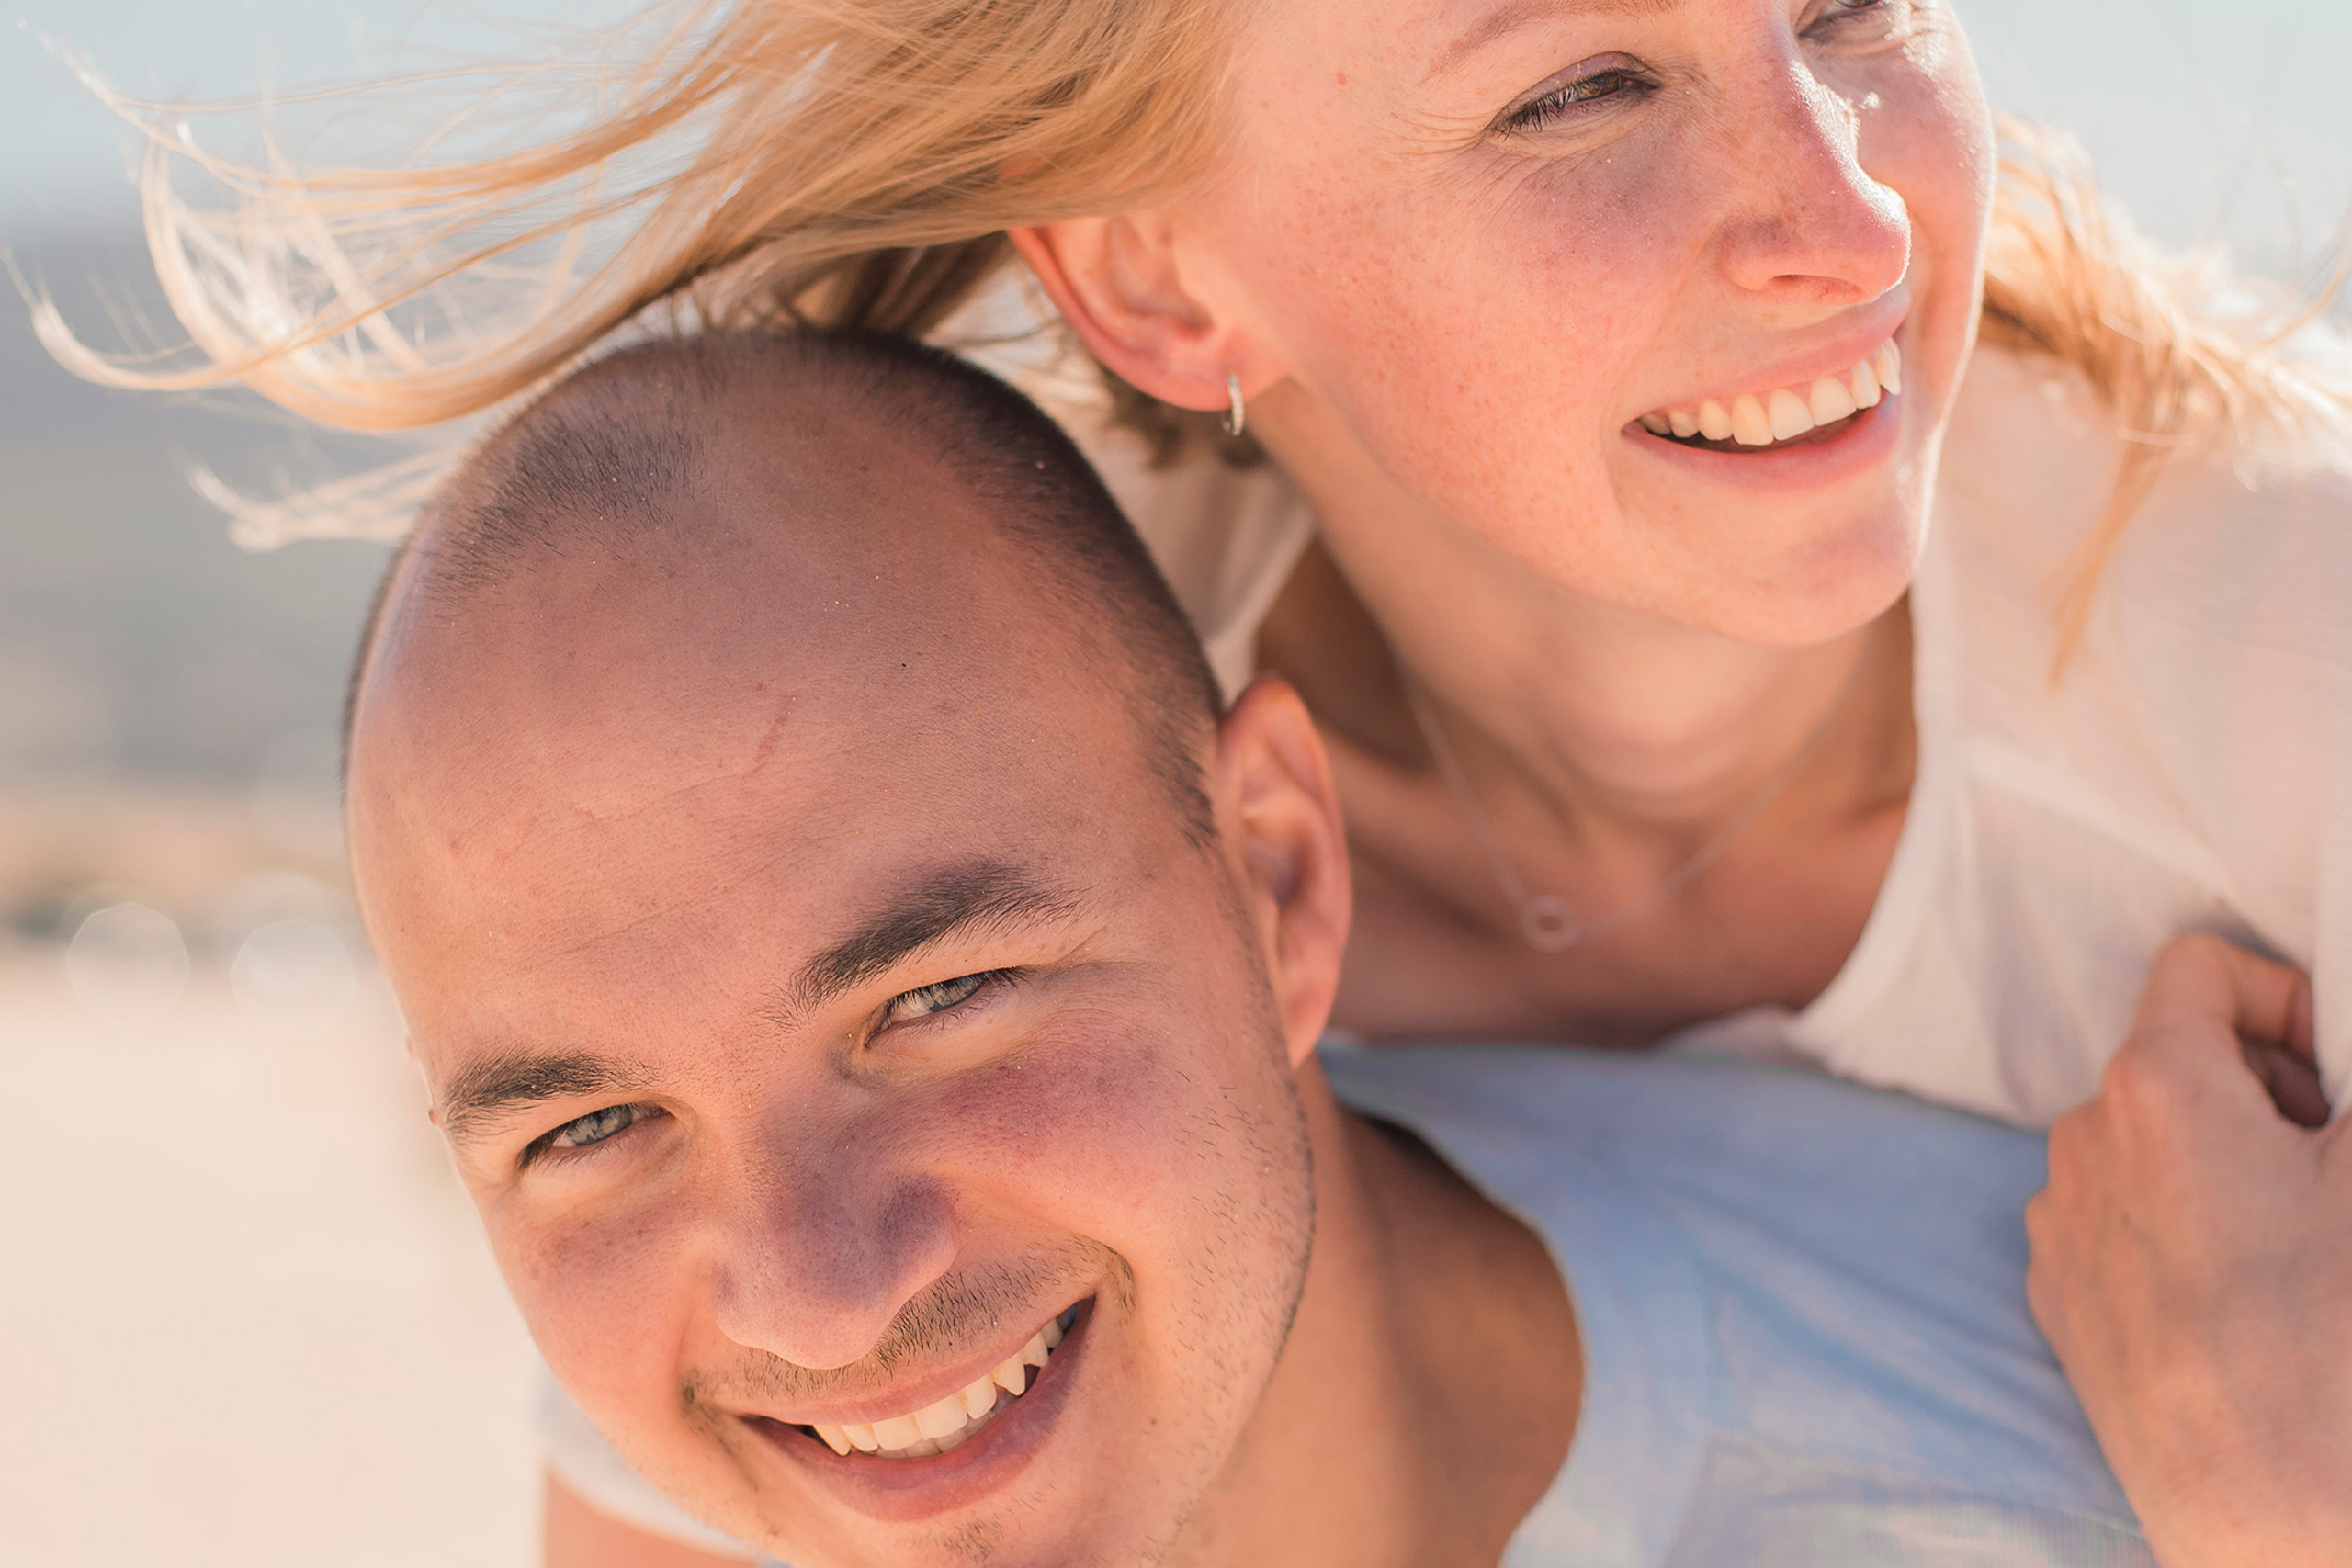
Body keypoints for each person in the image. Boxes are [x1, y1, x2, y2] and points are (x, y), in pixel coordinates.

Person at [42, 0, 2352, 1552]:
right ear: (1153, 280)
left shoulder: (2278, 684)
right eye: (1574, 89)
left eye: (1851, 6)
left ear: (1286, 880)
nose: (1848, 223)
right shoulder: (1002, 709)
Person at [346, 326, 2212, 1567]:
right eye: (594, 1126)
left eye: (938, 997)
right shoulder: (697, 1457)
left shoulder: (2086, 1452)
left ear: (1278, 880)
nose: (816, 1302)